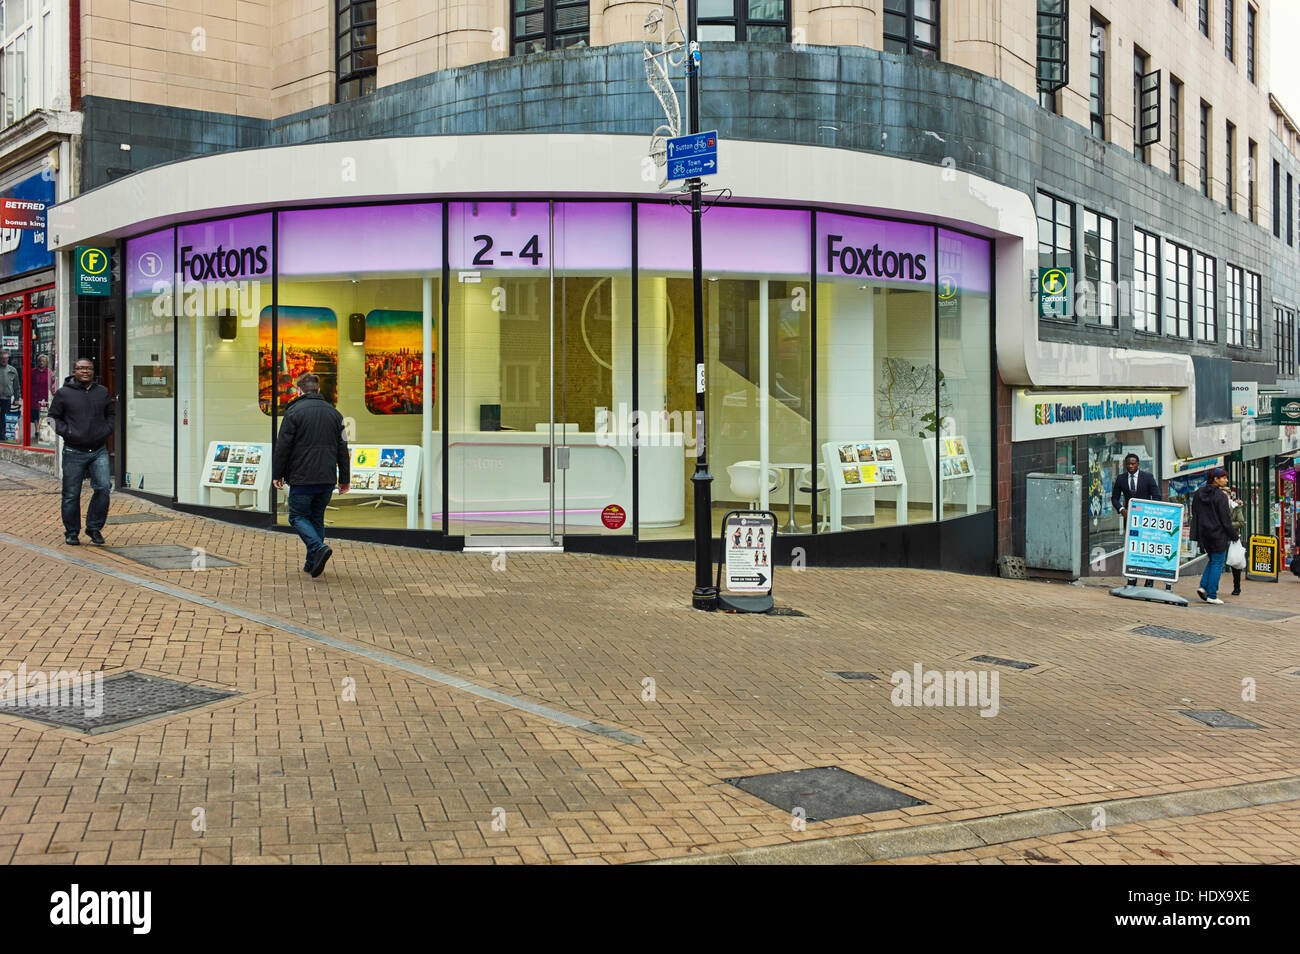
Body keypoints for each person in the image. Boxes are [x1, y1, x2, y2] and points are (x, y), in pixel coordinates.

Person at [272, 372, 350, 578]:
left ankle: (318, 547)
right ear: (318, 390)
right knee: (316, 518)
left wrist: (277, 474)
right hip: (326, 478)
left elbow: (283, 447)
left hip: (302, 477)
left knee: (297, 516)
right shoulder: (336, 414)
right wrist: (345, 478)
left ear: (298, 390)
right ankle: (311, 564)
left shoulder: (293, 412)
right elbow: (343, 447)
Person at [48, 358, 115, 545]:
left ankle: (94, 528)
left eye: (88, 368)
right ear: (74, 371)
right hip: (73, 451)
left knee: (103, 488)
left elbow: (110, 414)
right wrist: (67, 433)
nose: (85, 371)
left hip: (98, 450)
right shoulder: (63, 394)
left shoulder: (101, 392)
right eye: (81, 368)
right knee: (71, 494)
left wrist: (107, 429)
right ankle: (71, 531)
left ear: (93, 371)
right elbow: (52, 418)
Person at [1111, 452, 1161, 587]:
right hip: (1130, 520)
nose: (1130, 466)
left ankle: (1149, 580)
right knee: (1132, 548)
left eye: (1133, 464)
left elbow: (1157, 497)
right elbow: (1114, 498)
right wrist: (1122, 509)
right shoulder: (1121, 479)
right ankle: (1132, 578)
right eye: (1128, 464)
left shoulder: (1148, 477)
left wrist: (1149, 512)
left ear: (1138, 464)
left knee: (1146, 549)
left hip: (1146, 521)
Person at [1191, 467, 1237, 605]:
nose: (1226, 480)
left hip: (1204, 534)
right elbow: (1225, 519)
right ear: (1215, 479)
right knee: (1217, 563)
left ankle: (1203, 586)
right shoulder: (1221, 496)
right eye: (1223, 477)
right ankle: (1211, 594)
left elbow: (1195, 513)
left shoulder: (1198, 493)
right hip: (1218, 535)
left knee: (1212, 560)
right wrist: (1234, 535)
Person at [1227, 487, 1246, 596]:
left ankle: (1237, 587)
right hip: (1220, 537)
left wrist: (1228, 525)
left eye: (1227, 495)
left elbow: (1241, 522)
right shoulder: (1217, 506)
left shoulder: (1235, 508)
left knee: (1235, 563)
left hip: (1233, 537)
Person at [30, 354, 53, 439]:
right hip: (34, 395)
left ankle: (44, 429)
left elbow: (53, 384)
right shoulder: (33, 371)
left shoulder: (49, 372)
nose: (41, 363)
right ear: (37, 362)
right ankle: (37, 430)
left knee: (44, 413)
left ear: (46, 362)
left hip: (45, 395)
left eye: (43, 361)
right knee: (36, 413)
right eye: (40, 361)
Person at [0, 350, 19, 422]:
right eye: (2, 358)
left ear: (8, 359)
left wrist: (16, 398)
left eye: (6, 358)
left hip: (7, 398)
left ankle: (2, 432)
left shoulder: (12, 370)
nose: (4, 360)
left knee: (4, 418)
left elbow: (16, 386)